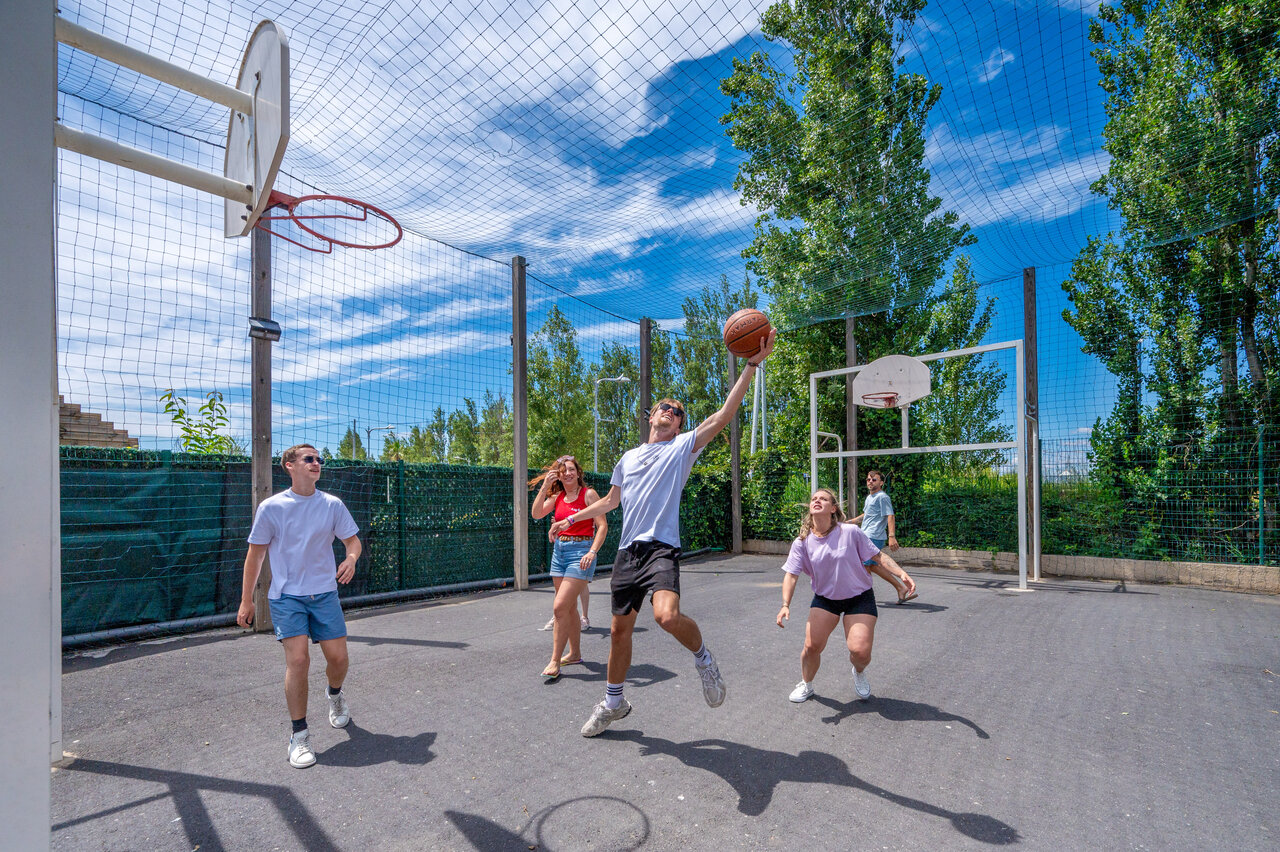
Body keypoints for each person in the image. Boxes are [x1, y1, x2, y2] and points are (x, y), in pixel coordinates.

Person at [553, 327, 777, 737]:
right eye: (665, 407)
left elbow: (723, 415)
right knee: (619, 632)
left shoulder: (681, 450)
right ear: (652, 416)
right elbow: (611, 502)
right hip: (627, 552)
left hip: (661, 549)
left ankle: (704, 659)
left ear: (678, 427)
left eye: (678, 412)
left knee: (666, 616)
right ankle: (613, 703)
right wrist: (571, 518)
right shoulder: (628, 457)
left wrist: (750, 365)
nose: (671, 412)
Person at [237, 443, 361, 769]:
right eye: (309, 459)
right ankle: (299, 735)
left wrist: (351, 558)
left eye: (319, 459)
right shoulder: (272, 508)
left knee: (338, 658)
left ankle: (334, 695)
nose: (316, 463)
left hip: (324, 594)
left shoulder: (332, 505)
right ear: (289, 465)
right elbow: (256, 555)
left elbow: (353, 541)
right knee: (299, 660)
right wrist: (246, 599)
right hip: (287, 597)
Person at [776, 487, 915, 703]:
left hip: (859, 597)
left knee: (860, 652)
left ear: (833, 509)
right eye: (814, 498)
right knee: (811, 647)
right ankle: (807, 684)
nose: (817, 500)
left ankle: (858, 672)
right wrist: (785, 604)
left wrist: (901, 573)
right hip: (825, 599)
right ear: (810, 508)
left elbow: (878, 557)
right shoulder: (802, 542)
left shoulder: (850, 532)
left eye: (823, 498)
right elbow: (791, 575)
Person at [529, 454, 607, 682]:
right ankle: (574, 654)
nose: (568, 474)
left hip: (580, 553)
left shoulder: (588, 494)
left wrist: (592, 552)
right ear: (559, 476)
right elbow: (536, 514)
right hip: (560, 553)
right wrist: (544, 487)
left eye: (572, 469)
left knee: (560, 606)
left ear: (578, 472)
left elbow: (602, 526)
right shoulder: (558, 496)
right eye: (563, 471)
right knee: (569, 609)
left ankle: (554, 660)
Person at [850, 468, 916, 603]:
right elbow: (866, 515)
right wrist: (849, 522)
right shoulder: (870, 497)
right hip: (866, 535)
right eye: (868, 479)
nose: (870, 482)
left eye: (874, 480)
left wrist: (892, 536)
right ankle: (900, 588)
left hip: (874, 535)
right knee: (872, 565)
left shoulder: (882, 497)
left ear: (881, 483)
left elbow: (890, 515)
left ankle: (864, 595)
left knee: (865, 565)